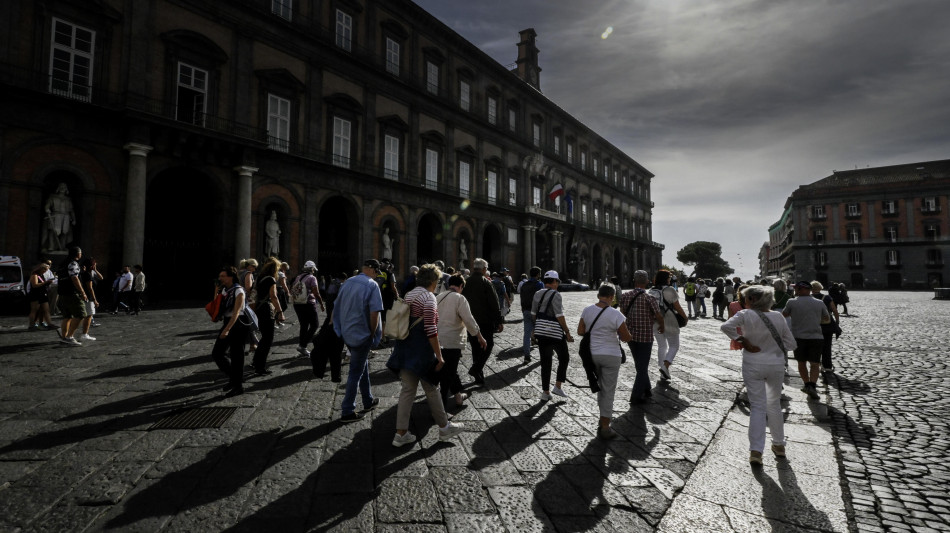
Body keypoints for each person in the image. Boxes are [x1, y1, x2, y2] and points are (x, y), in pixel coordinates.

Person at [388, 264, 465, 446]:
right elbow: (430, 330)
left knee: (408, 390)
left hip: (405, 347)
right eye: (438, 281)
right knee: (431, 387)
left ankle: (401, 433)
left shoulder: (411, 294)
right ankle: (445, 429)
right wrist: (439, 355)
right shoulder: (429, 298)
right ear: (433, 281)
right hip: (421, 351)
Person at [721, 286, 797, 465]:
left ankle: (756, 451)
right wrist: (773, 348)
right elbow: (791, 344)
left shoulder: (745, 315)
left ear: (753, 299)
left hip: (753, 364)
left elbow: (725, 327)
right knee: (774, 405)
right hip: (776, 365)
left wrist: (743, 340)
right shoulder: (778, 317)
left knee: (757, 407)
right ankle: (779, 445)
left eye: (745, 298)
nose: (743, 302)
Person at [332, 259, 385, 423]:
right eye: (377, 273)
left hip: (347, 332)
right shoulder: (372, 285)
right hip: (362, 334)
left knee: (362, 365)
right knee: (355, 372)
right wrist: (372, 333)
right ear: (372, 270)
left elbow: (336, 305)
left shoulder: (348, 282)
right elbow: (374, 313)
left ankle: (368, 401)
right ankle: (347, 410)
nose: (377, 276)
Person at [578, 284, 632, 439]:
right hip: (611, 355)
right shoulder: (616, 314)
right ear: (611, 297)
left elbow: (581, 331)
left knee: (600, 387)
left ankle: (602, 419)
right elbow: (626, 337)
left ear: (598, 295)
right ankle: (605, 426)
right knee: (608, 390)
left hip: (593, 354)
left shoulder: (587, 310)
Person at [436, 274, 485, 409]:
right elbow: (469, 320)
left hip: (437, 340)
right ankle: (441, 410)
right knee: (448, 374)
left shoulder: (438, 297)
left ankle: (457, 396)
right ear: (461, 286)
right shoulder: (459, 298)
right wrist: (480, 336)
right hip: (452, 341)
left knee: (449, 370)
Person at [619, 270, 664, 404]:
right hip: (645, 337)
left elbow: (621, 315)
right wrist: (662, 325)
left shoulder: (625, 296)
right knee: (642, 366)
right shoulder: (649, 297)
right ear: (647, 281)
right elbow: (658, 315)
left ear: (634, 280)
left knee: (640, 365)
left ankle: (647, 388)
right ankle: (636, 396)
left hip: (630, 336)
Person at [782, 281, 830, 400]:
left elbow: (784, 314)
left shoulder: (792, 302)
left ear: (799, 290)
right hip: (816, 337)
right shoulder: (819, 302)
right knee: (815, 363)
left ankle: (807, 384)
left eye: (796, 289)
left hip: (799, 337)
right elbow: (827, 318)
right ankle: (812, 386)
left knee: (801, 362)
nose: (795, 291)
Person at [531, 270, 575, 401]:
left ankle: (545, 392)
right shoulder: (556, 294)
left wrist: (538, 326)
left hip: (541, 332)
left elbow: (533, 314)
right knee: (564, 357)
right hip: (555, 332)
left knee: (545, 362)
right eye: (558, 281)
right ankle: (558, 386)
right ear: (555, 281)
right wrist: (567, 332)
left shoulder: (537, 293)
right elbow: (559, 315)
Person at [461, 258, 504, 385]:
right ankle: (476, 369)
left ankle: (479, 376)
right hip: (485, 320)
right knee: (488, 344)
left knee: (475, 347)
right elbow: (494, 303)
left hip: (470, 320)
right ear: (484, 269)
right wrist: (499, 321)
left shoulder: (466, 282)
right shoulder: (486, 282)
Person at [211, 266, 251, 396]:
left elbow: (237, 312)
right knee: (217, 353)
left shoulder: (238, 290)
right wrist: (216, 291)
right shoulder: (225, 290)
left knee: (237, 356)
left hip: (238, 323)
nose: (220, 278)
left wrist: (227, 329)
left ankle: (238, 385)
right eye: (220, 276)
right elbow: (216, 305)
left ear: (230, 277)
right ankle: (234, 378)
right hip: (228, 322)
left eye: (222, 276)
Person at [649, 270, 688, 381]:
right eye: (669, 277)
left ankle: (663, 371)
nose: (670, 279)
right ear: (666, 279)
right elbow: (677, 306)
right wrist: (685, 317)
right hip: (669, 319)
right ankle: (665, 367)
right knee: (674, 345)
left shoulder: (651, 290)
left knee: (662, 346)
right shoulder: (670, 289)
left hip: (656, 320)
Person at [252, 258, 283, 375]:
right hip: (266, 310)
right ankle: (260, 367)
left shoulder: (259, 278)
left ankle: (256, 362)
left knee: (264, 338)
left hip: (259, 309)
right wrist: (280, 312)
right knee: (267, 339)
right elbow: (273, 296)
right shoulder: (271, 280)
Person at [56, 246, 87, 345]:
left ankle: (64, 337)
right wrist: (82, 292)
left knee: (67, 316)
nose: (81, 254)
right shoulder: (73, 263)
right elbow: (74, 278)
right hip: (72, 293)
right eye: (81, 253)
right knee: (81, 314)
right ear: (78, 254)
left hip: (62, 293)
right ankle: (70, 337)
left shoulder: (62, 264)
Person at [292, 261, 324, 356]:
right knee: (315, 324)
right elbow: (316, 292)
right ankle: (302, 345)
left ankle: (302, 347)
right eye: (314, 269)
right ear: (312, 269)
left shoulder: (298, 277)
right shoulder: (312, 278)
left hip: (297, 303)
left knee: (304, 325)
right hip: (308, 303)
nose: (314, 271)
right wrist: (321, 303)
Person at [811, 281, 840, 372]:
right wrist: (837, 322)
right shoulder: (827, 297)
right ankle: (827, 366)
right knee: (827, 346)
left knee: (815, 346)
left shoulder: (809, 298)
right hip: (827, 325)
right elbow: (834, 310)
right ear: (820, 287)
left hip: (813, 325)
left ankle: (815, 365)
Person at [519, 266, 544, 363]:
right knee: (541, 333)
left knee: (527, 334)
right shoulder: (540, 284)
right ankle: (544, 355)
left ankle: (526, 356)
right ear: (538, 274)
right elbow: (542, 299)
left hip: (526, 311)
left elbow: (521, 297)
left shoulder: (524, 285)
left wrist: (523, 309)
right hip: (536, 312)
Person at [43, 182, 76, 252]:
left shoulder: (68, 199)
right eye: (61, 187)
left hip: (66, 216)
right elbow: (47, 205)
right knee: (53, 231)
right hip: (55, 215)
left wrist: (74, 219)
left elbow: (71, 210)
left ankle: (62, 246)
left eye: (64, 187)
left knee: (64, 232)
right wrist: (47, 209)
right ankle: (51, 246)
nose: (62, 188)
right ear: (58, 188)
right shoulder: (53, 197)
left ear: (66, 189)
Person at [27, 264, 55, 330]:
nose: (45, 271)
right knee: (34, 310)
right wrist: (45, 282)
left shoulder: (41, 275)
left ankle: (50, 324)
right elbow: (34, 285)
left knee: (46, 310)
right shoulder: (34, 275)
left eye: (46, 270)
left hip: (43, 294)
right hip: (35, 294)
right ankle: (31, 325)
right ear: (40, 269)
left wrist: (47, 283)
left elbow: (42, 284)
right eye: (44, 269)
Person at [77, 257, 99, 341]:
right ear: (92, 265)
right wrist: (95, 300)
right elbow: (90, 288)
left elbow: (101, 278)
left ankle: (66, 329)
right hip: (88, 298)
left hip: (84, 297)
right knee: (88, 315)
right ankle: (84, 334)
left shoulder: (83, 273)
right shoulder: (88, 275)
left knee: (82, 315)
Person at [276, 262, 291, 328]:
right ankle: (277, 320)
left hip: (276, 290)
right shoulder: (281, 274)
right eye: (286, 269)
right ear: (283, 267)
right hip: (280, 290)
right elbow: (283, 284)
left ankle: (277, 320)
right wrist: (287, 292)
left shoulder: (276, 272)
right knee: (283, 305)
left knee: (278, 306)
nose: (286, 270)